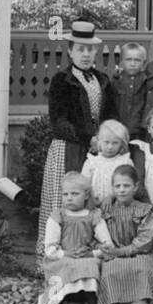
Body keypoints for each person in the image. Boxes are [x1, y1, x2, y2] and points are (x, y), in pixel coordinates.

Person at [39, 20, 119, 247]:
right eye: (80, 49)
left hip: (97, 150)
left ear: (95, 52)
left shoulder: (102, 79)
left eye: (89, 50)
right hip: (69, 147)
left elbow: (111, 115)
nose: (85, 54)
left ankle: (87, 251)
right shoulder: (62, 80)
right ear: (70, 52)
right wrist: (87, 138)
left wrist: (103, 139)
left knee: (92, 199)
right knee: (67, 200)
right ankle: (55, 253)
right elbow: (59, 121)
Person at [35, 171, 112, 304]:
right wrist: (65, 254)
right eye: (66, 194)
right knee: (63, 266)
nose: (69, 198)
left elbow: (108, 245)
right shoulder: (57, 216)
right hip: (62, 257)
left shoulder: (94, 215)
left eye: (75, 194)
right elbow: (49, 248)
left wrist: (92, 253)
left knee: (90, 266)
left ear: (86, 195)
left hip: (86, 256)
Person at [96, 165, 153, 304]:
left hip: (139, 252)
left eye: (126, 185)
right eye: (117, 186)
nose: (121, 190)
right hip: (112, 253)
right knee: (110, 270)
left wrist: (123, 251)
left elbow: (146, 239)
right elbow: (96, 231)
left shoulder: (145, 210)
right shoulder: (106, 209)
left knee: (142, 268)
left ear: (136, 186)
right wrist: (105, 248)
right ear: (112, 187)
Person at [81, 119, 134, 208]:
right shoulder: (91, 162)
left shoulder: (125, 162)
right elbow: (83, 185)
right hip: (94, 206)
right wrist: (91, 199)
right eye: (106, 142)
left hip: (119, 207)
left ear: (122, 144)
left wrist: (112, 197)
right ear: (99, 141)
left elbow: (130, 185)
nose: (110, 147)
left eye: (115, 143)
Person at [112, 41, 148, 142]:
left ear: (144, 62)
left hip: (139, 130)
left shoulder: (146, 80)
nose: (133, 64)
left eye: (137, 60)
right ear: (122, 62)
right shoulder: (116, 80)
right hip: (119, 128)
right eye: (128, 60)